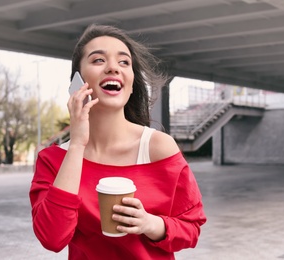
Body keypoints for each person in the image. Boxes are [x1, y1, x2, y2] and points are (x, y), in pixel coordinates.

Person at [29, 24, 207, 260]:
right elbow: (52, 238)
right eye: (98, 60)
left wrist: (150, 224)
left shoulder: (158, 147)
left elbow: (191, 228)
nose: (113, 67)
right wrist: (77, 145)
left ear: (132, 83)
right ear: (78, 81)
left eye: (124, 62)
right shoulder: (53, 160)